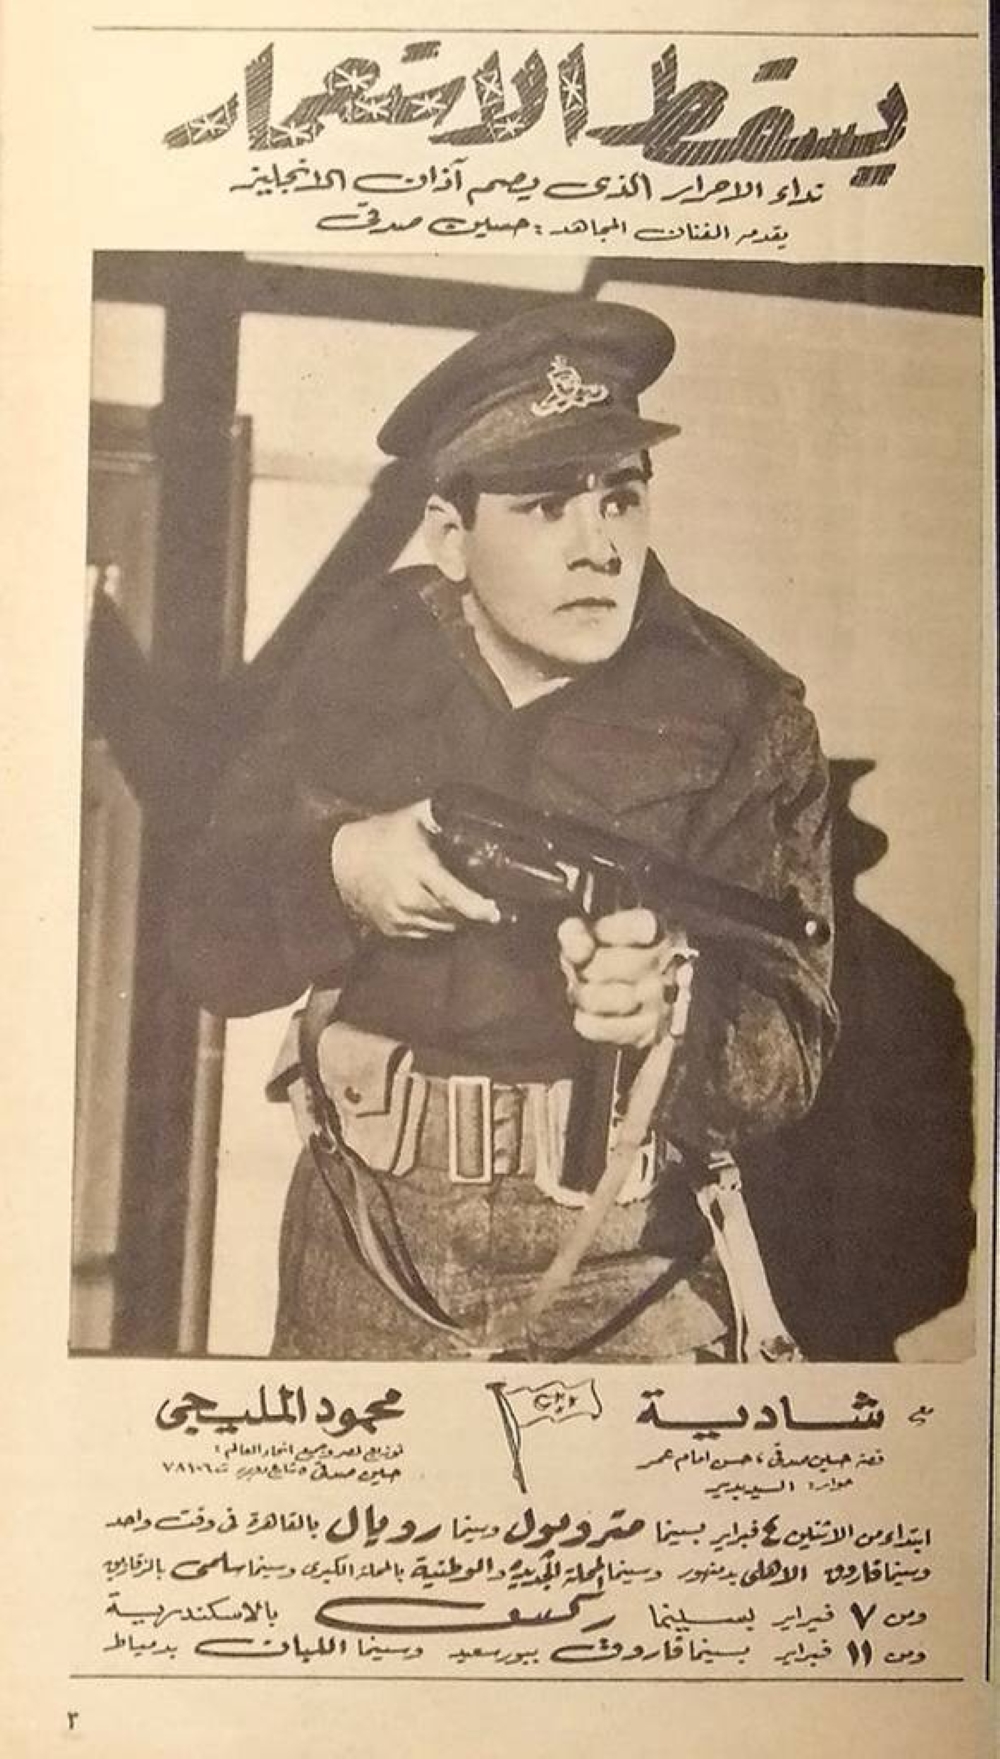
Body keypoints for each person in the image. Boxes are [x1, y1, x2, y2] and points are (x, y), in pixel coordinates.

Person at [170, 297, 838, 1362]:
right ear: (451, 535)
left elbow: (790, 1052)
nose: (598, 547)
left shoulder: (742, 712)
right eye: (545, 507)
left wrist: (672, 1013)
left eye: (620, 499)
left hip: (622, 1254)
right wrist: (341, 871)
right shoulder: (360, 655)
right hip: (366, 1240)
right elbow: (203, 944)